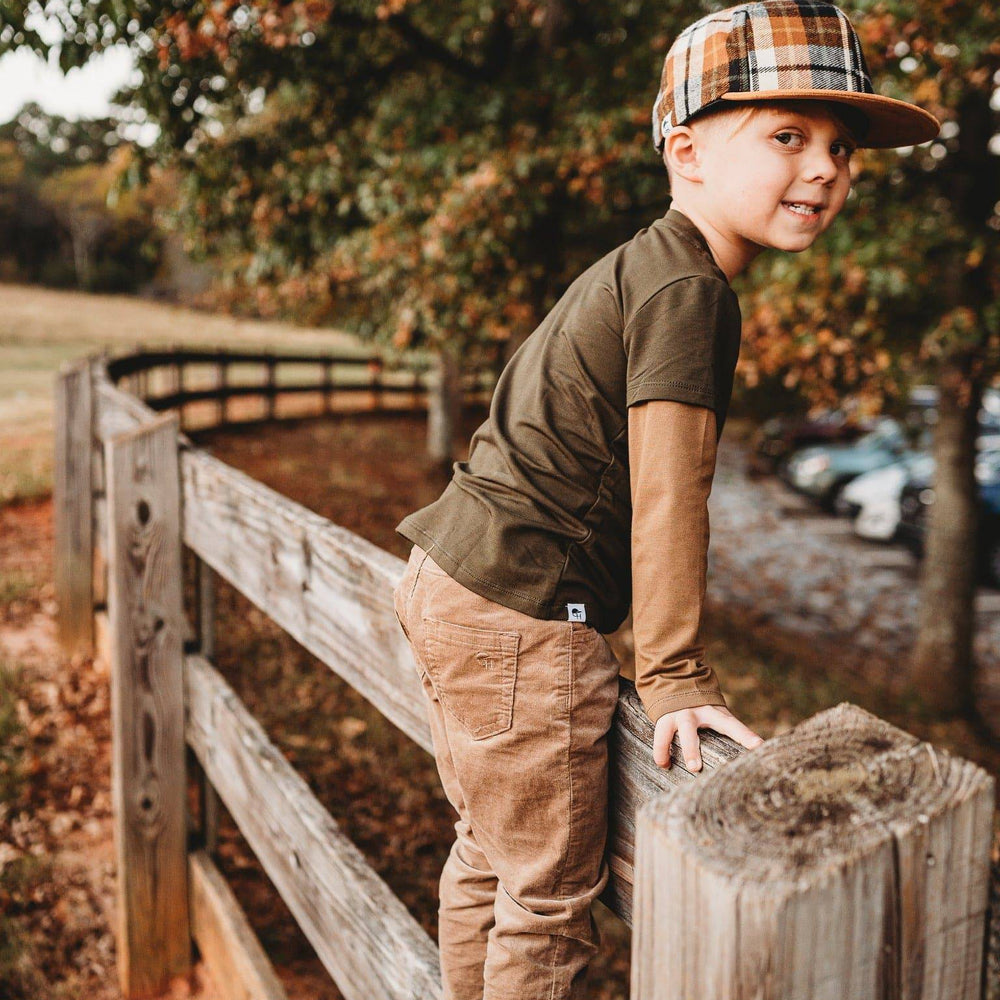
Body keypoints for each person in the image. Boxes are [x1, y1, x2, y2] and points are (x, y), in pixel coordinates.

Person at [391, 2, 940, 996]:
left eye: (841, 147)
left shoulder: (638, 268)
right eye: (785, 136)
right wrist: (676, 672)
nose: (824, 168)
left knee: (490, 853)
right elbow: (669, 489)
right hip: (522, 609)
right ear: (685, 152)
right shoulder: (688, 291)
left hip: (453, 580)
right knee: (549, 896)